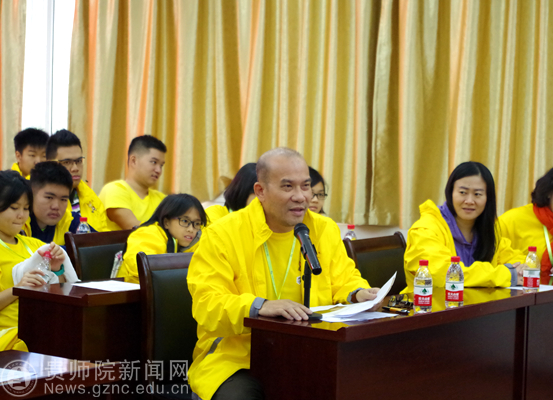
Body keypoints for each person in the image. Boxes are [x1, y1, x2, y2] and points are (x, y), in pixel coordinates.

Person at [187, 147, 378, 400]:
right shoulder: (223, 234)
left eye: (306, 186)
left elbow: (343, 278)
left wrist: (358, 293)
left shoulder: (323, 229)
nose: (301, 197)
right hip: (238, 357)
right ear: (260, 191)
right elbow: (207, 304)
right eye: (287, 187)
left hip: (312, 351)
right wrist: (260, 306)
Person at [404, 161, 525, 292]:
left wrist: (523, 269)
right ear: (450, 192)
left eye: (477, 194)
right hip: (429, 303)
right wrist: (505, 275)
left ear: (488, 199)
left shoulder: (487, 231)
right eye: (462, 192)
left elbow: (516, 260)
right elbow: (444, 274)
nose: (469, 201)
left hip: (476, 303)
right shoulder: (425, 229)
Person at [0, 171, 67, 351]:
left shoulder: (36, 245)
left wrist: (57, 270)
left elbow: (61, 295)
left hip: (41, 323)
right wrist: (18, 289)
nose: (21, 215)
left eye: (26, 208)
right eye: (14, 208)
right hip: (10, 333)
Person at [119, 194, 207, 283]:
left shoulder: (196, 241)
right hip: (133, 290)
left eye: (197, 223)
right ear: (166, 222)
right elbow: (142, 268)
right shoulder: (147, 234)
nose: (191, 229)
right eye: (184, 221)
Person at [99, 135, 167, 230]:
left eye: (161, 165)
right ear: (133, 161)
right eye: (154, 162)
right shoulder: (114, 190)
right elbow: (136, 230)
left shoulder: (162, 200)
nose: (158, 170)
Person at [46, 129, 108, 232]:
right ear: (49, 164)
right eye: (67, 162)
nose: (75, 168)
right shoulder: (36, 196)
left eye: (78, 161)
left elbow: (104, 236)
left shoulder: (91, 197)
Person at [22, 162, 79, 245]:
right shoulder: (18, 221)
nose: (56, 206)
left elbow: (97, 246)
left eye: (63, 199)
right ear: (31, 194)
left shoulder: (70, 221)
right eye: (49, 197)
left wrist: (62, 250)